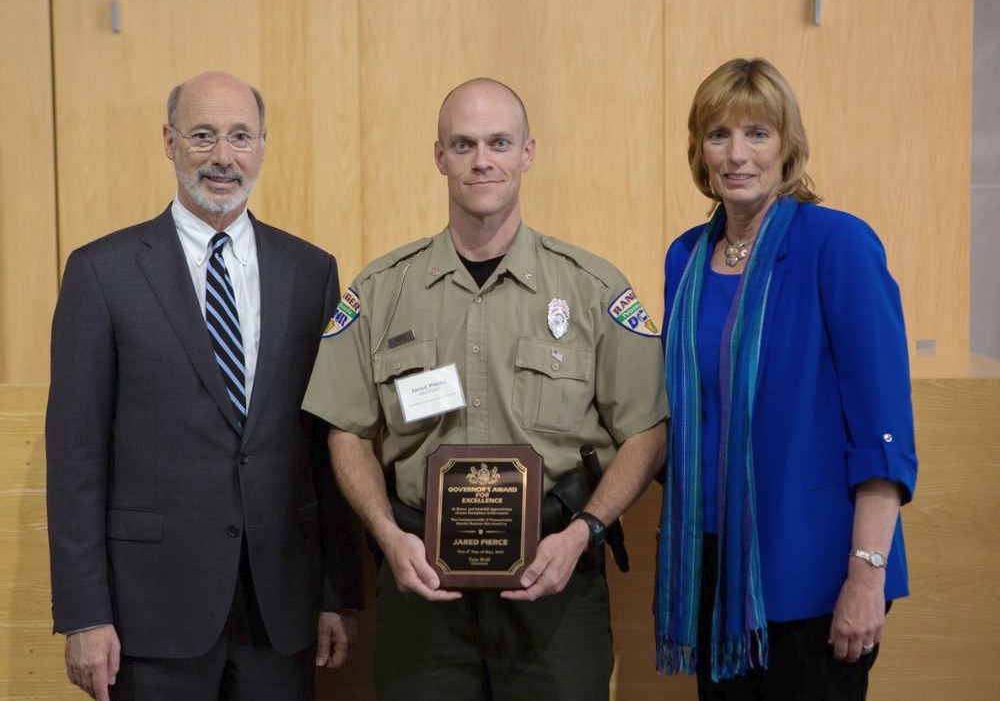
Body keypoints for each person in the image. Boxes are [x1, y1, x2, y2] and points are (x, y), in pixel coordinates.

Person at [303, 77, 668, 700]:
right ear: (439, 156)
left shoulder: (592, 289)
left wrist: (585, 530)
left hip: (556, 579)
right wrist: (388, 537)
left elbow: (648, 430)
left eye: (499, 142)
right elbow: (347, 431)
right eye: (463, 144)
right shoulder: (382, 291)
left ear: (527, 152)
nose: (482, 160)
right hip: (421, 584)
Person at [45, 71, 364, 701]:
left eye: (241, 136)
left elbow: (327, 446)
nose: (224, 157)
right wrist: (85, 613)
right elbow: (76, 457)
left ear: (263, 145)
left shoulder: (310, 271)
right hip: (151, 612)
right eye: (203, 135)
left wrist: (340, 593)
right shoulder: (101, 273)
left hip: (281, 608)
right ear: (169, 141)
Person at [654, 58, 918, 700]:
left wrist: (866, 576)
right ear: (700, 151)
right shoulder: (686, 256)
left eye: (757, 134)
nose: (737, 154)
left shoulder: (838, 244)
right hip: (713, 571)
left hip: (817, 573)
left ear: (788, 146)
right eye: (718, 134)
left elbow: (881, 429)